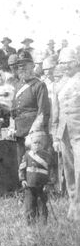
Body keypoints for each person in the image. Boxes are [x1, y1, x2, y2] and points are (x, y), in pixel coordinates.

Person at [52, 48, 80, 220]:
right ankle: (73, 204)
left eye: (69, 62)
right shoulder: (58, 84)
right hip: (64, 133)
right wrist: (55, 135)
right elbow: (56, 112)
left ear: (76, 62)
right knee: (68, 170)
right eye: (62, 63)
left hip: (79, 132)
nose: (65, 66)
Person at [11, 53, 50, 164]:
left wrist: (35, 130)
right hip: (19, 129)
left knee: (35, 163)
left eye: (25, 64)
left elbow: (43, 111)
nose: (22, 68)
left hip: (33, 130)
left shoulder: (39, 85)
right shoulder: (18, 86)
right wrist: (12, 126)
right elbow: (13, 109)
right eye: (19, 65)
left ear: (32, 66)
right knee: (21, 161)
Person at [19, 131, 52, 224]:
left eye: (39, 143)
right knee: (29, 204)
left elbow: (51, 171)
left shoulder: (47, 156)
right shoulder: (27, 155)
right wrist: (23, 179)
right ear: (30, 143)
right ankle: (30, 223)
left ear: (43, 144)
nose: (37, 145)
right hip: (29, 185)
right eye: (35, 143)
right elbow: (22, 168)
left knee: (42, 204)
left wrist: (49, 184)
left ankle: (43, 223)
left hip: (42, 185)